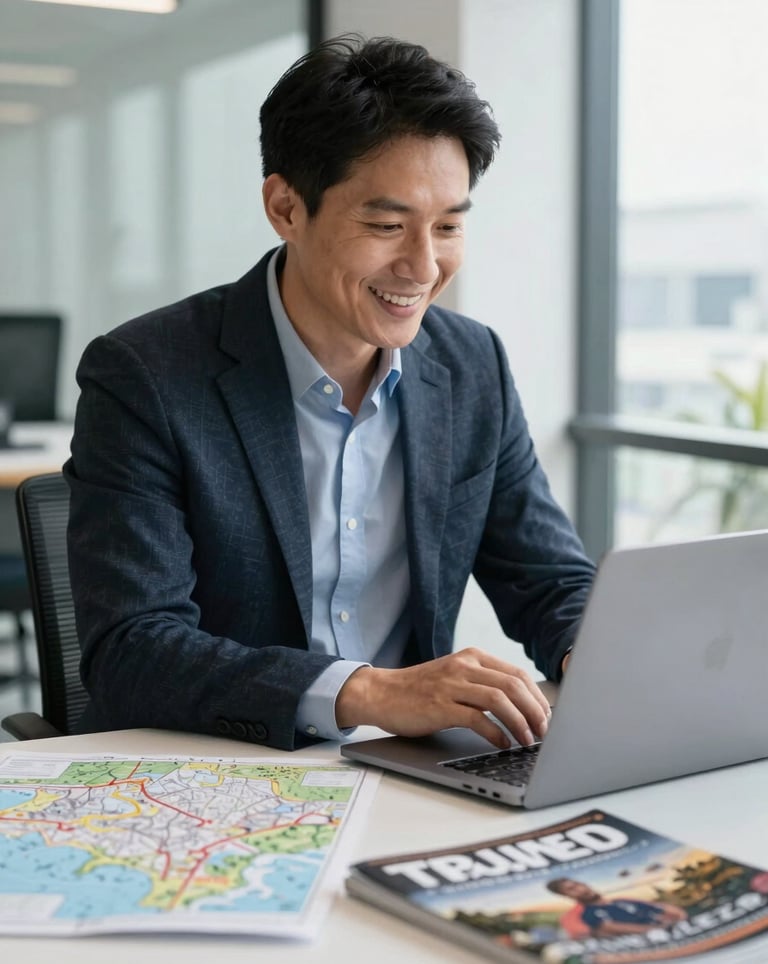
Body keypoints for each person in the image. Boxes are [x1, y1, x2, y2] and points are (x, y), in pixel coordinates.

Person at [64, 35, 596, 752]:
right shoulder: (146, 373)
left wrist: (595, 659)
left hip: (406, 771)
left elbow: (550, 582)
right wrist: (368, 692)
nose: (423, 265)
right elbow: (132, 647)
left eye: (448, 226)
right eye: (386, 226)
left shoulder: (472, 365)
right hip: (216, 771)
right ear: (286, 208)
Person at [545, 878, 687, 938]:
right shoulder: (585, 915)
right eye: (572, 889)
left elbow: (666, 909)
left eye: (579, 884)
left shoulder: (622, 901)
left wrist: (680, 919)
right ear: (565, 895)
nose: (582, 889)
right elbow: (609, 930)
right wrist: (663, 929)